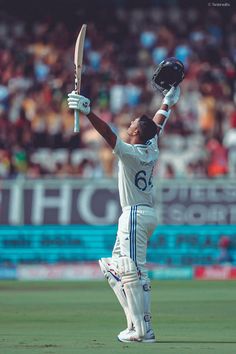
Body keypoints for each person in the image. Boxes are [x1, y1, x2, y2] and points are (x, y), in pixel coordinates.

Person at [67, 85, 180, 343]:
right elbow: (158, 123)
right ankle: (136, 323)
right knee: (112, 266)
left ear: (137, 132)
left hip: (134, 215)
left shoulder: (129, 153)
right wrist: (167, 102)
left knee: (132, 271)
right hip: (146, 214)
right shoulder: (151, 146)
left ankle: (142, 331)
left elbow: (107, 133)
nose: (128, 125)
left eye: (132, 124)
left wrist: (88, 112)